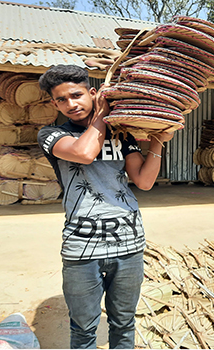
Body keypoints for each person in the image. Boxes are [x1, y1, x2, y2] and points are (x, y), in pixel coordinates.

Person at [37, 64, 173, 349]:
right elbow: (84, 153)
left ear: (92, 93)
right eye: (61, 99)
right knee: (84, 328)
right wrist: (102, 113)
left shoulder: (122, 135)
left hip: (129, 243)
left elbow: (144, 181)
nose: (71, 104)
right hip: (82, 246)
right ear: (54, 103)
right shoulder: (52, 134)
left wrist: (159, 142)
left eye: (76, 95)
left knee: (123, 324)